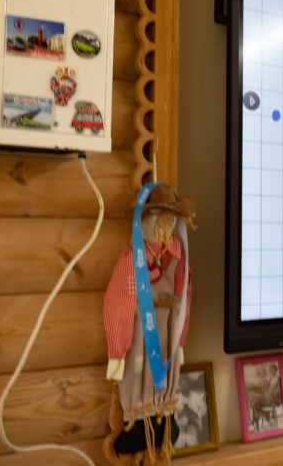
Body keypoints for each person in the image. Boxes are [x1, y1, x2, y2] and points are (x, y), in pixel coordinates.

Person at [103, 183, 196, 463]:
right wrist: (117, 350)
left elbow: (184, 298)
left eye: (169, 218)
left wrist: (180, 339)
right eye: (156, 218)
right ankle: (137, 425)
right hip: (139, 330)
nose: (162, 225)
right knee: (138, 369)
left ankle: (164, 420)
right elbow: (119, 303)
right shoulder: (132, 261)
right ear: (141, 222)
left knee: (166, 374)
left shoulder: (178, 258)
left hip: (168, 329)